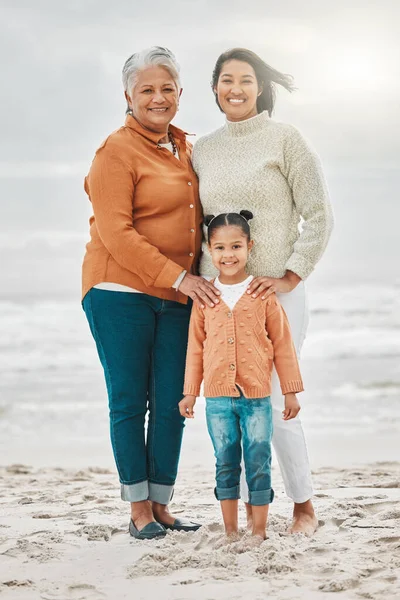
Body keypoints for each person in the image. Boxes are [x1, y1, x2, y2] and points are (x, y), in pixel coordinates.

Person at [192, 48, 334, 535]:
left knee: (272, 405)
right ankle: (252, 515)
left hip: (277, 296)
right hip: (221, 299)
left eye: (246, 79)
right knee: (233, 409)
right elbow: (197, 227)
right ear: (214, 88)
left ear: (259, 87)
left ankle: (303, 506)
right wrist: (199, 283)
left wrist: (292, 273)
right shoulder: (201, 149)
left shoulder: (285, 139)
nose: (236, 88)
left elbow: (318, 214)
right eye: (226, 79)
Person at [81, 46, 220, 540]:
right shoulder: (115, 151)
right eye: (147, 90)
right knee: (129, 401)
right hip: (119, 290)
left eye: (167, 89)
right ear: (128, 96)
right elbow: (117, 233)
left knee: (172, 402)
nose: (158, 98)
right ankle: (137, 506)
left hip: (178, 294)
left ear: (180, 94)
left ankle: (161, 503)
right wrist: (181, 277)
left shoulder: (186, 148)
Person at [179, 211, 304, 540]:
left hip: (257, 397)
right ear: (209, 249)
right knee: (225, 460)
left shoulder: (263, 294)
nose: (228, 255)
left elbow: (283, 345)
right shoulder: (205, 297)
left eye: (236, 246)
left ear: (250, 246)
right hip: (217, 399)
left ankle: (258, 531)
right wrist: (191, 391)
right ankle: (231, 530)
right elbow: (195, 348)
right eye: (220, 248)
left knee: (259, 459)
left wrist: (290, 391)